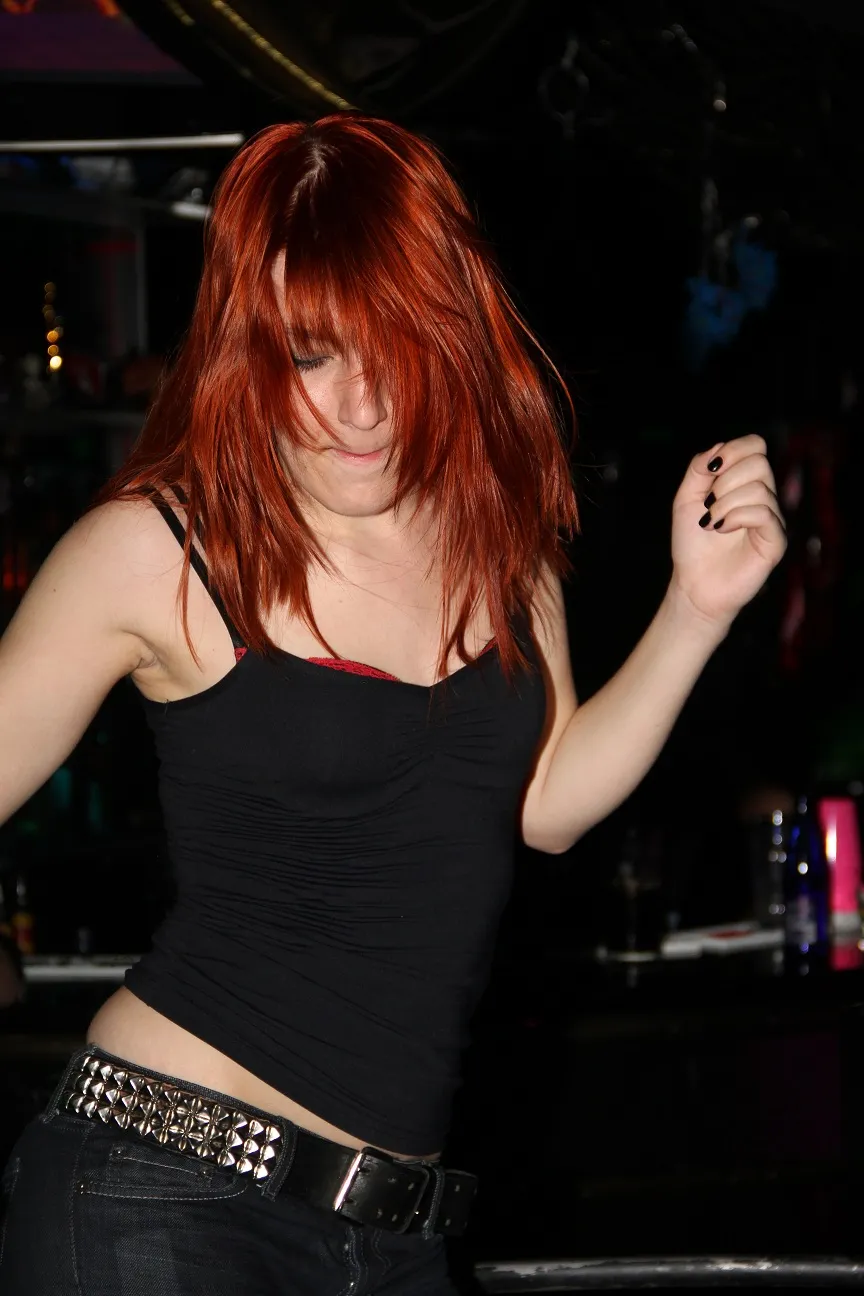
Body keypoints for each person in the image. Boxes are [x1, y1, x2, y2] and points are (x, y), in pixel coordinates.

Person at [0, 115, 786, 1294]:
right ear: (245, 346)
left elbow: (545, 804)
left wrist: (696, 608)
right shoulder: (156, 550)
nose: (363, 405)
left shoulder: (500, 543)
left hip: (394, 1233)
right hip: (156, 1195)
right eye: (313, 354)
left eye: (397, 347)